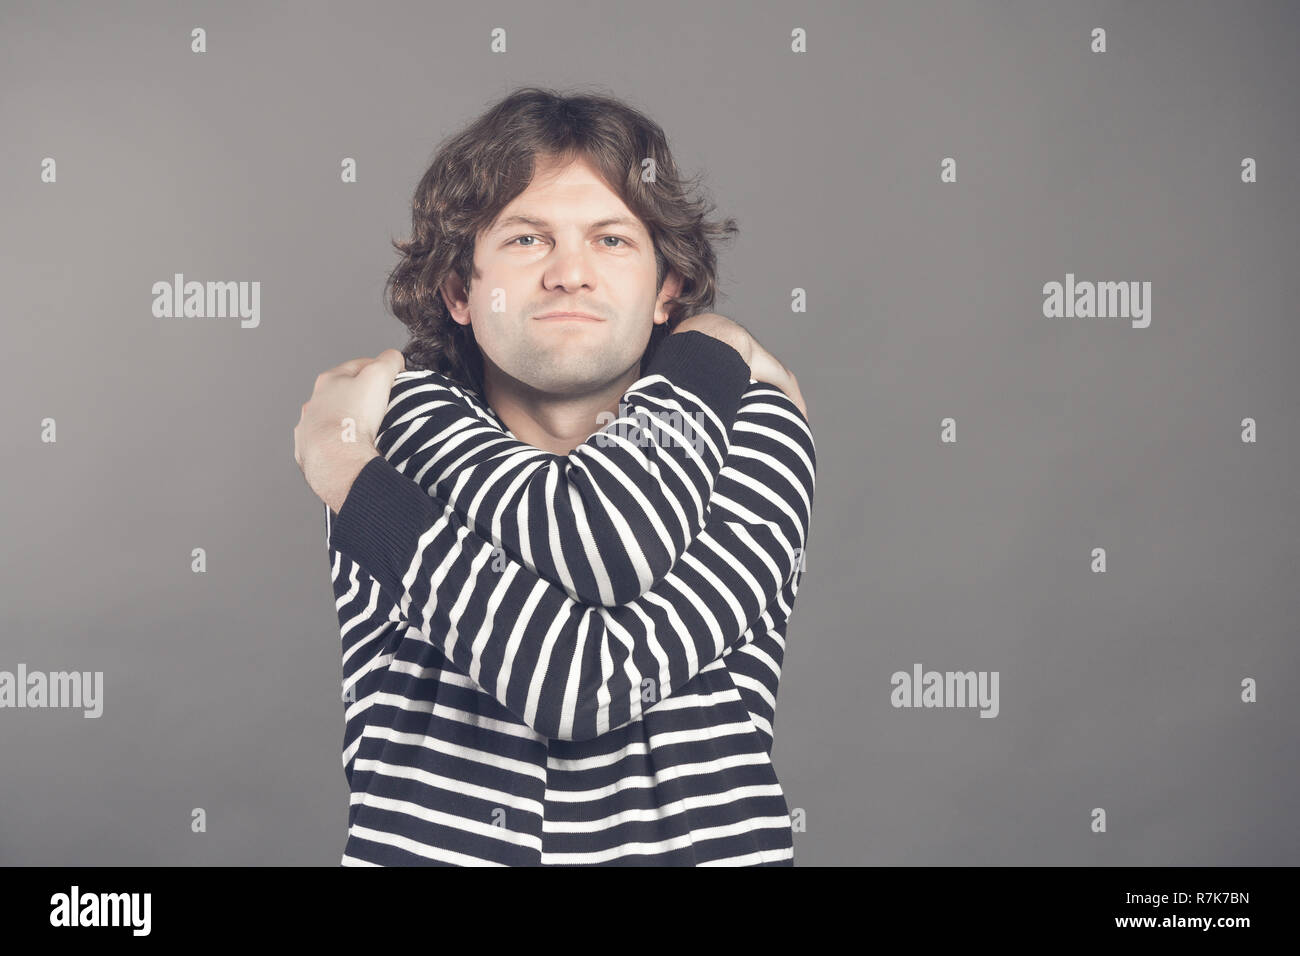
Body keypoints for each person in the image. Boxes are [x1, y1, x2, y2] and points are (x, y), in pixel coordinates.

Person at [293, 87, 816, 865]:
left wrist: (347, 475)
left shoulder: (754, 427)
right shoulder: (390, 424)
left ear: (666, 288)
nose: (570, 273)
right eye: (528, 239)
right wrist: (717, 348)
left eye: (611, 241)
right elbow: (589, 576)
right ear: (458, 291)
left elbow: (585, 679)